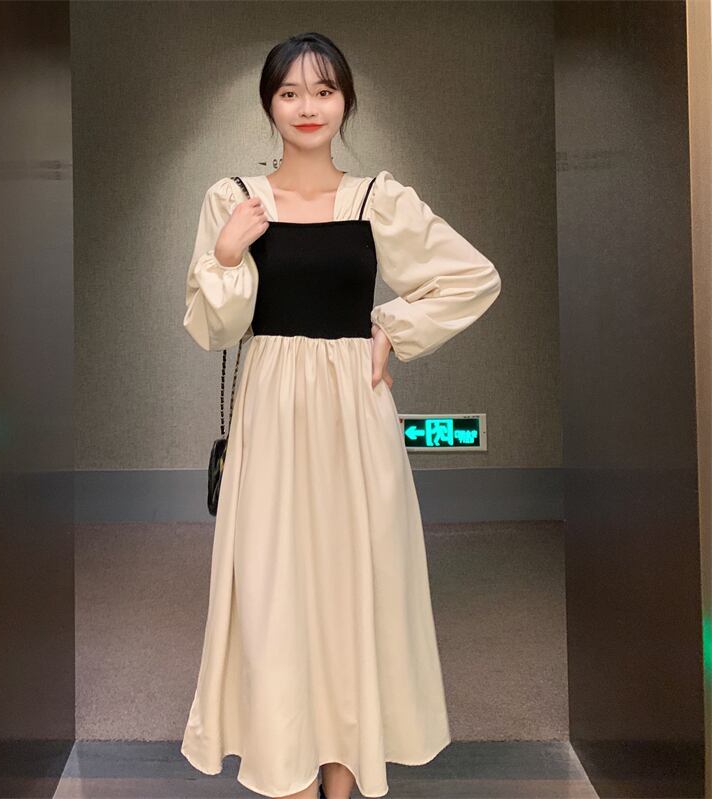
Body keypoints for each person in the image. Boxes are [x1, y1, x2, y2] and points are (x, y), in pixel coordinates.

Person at [181, 31, 501, 799]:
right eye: (290, 92)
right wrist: (226, 254)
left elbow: (473, 276)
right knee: (274, 587)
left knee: (356, 581)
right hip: (270, 411)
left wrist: (393, 328)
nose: (307, 106)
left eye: (323, 90)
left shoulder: (379, 198)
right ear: (269, 104)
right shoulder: (234, 199)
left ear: (346, 100)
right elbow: (215, 328)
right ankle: (287, 765)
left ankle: (343, 771)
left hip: (355, 414)